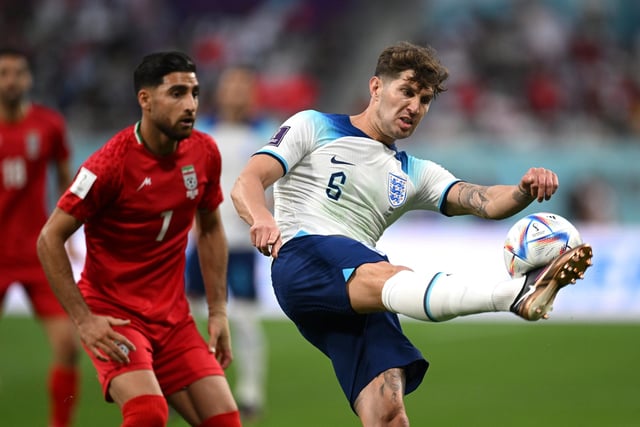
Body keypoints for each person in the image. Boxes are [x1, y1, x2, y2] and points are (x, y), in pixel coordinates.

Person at [231, 41, 594, 426]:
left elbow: (483, 200)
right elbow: (248, 180)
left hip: (359, 291)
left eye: (424, 99)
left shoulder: (413, 172)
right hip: (305, 259)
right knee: (389, 273)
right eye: (406, 91)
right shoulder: (313, 125)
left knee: (389, 415)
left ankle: (517, 294)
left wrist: (522, 190)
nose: (414, 107)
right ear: (375, 88)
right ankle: (513, 294)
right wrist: (261, 217)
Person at [37, 51, 242, 427]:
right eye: (177, 93)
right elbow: (49, 238)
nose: (191, 105)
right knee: (148, 413)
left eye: (195, 93)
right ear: (145, 100)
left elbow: (210, 227)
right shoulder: (109, 165)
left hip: (174, 319)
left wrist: (217, 312)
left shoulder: (204, 152)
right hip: (115, 316)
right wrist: (84, 321)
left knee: (226, 421)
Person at [185, 65, 272, 421]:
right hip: (203, 240)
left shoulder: (267, 134)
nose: (235, 92)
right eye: (230, 85)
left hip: (241, 244)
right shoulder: (199, 131)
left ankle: (250, 391)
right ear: (218, 91)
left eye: (242, 86)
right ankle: (192, 384)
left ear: (253, 92)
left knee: (246, 320)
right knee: (189, 316)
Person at [0, 47, 81, 427]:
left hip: (37, 252)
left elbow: (67, 180)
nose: (11, 80)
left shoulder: (48, 124)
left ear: (29, 78)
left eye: (18, 72)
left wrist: (72, 236)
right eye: (4, 73)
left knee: (68, 346)